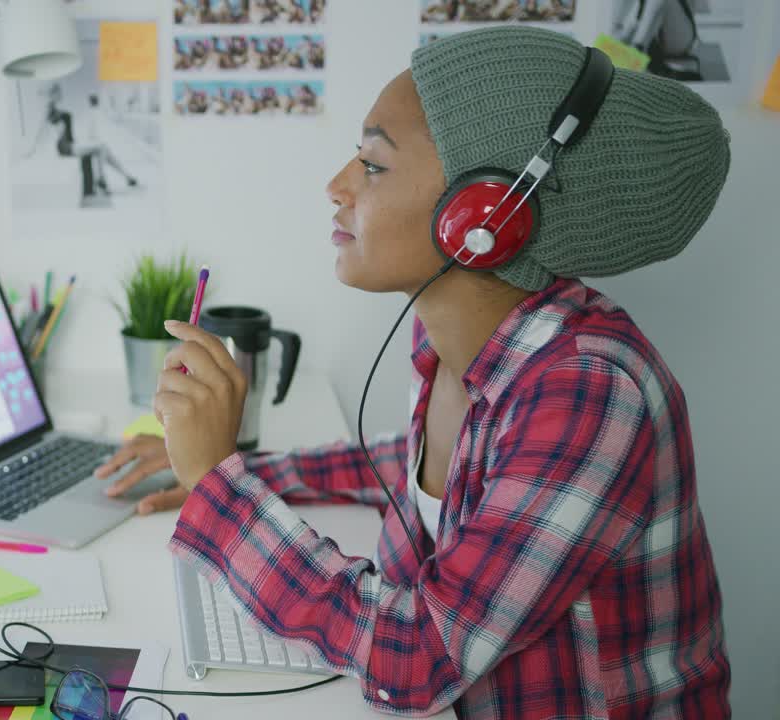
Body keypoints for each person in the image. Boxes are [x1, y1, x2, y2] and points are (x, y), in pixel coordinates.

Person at [95, 27, 730, 717]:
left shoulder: (593, 395)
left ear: (481, 215)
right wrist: (215, 464)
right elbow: (421, 466)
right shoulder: (452, 352)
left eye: (372, 164)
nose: (336, 186)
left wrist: (220, 484)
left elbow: (417, 657)